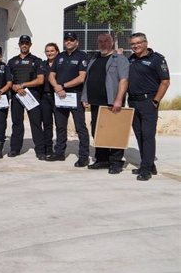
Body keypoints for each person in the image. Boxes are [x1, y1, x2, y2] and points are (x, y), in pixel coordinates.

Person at [82, 33, 129, 174]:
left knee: (114, 132)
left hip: (112, 103)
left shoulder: (120, 59)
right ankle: (102, 159)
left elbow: (124, 80)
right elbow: (88, 79)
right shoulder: (94, 58)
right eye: (100, 41)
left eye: (106, 41)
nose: (103, 44)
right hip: (96, 103)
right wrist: (85, 97)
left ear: (112, 42)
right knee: (98, 131)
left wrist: (119, 99)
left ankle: (116, 162)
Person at [127, 32, 170, 181]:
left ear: (146, 43)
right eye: (133, 44)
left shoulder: (157, 59)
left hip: (148, 102)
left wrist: (156, 101)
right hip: (132, 102)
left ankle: (146, 170)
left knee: (148, 135)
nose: (136, 46)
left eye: (138, 43)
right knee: (139, 135)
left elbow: (165, 82)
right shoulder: (131, 59)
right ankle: (148, 164)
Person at [47, 31, 90, 166]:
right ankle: (59, 152)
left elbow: (81, 77)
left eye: (71, 40)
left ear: (77, 42)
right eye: (66, 40)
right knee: (60, 126)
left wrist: (63, 86)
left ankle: (83, 156)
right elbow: (51, 76)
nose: (69, 42)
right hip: (60, 95)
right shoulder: (59, 57)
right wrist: (57, 87)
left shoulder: (82, 56)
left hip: (75, 95)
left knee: (80, 127)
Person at [6, 35, 46, 159]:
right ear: (19, 45)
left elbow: (40, 80)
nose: (24, 45)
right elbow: (8, 80)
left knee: (36, 123)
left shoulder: (37, 60)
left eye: (26, 43)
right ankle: (15, 149)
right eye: (22, 43)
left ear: (30, 45)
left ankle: (40, 150)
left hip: (32, 95)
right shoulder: (12, 61)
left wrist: (23, 85)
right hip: (17, 96)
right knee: (17, 123)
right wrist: (14, 87)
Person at [40, 43, 60, 157]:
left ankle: (59, 149)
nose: (49, 53)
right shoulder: (42, 64)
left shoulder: (61, 63)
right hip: (45, 97)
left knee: (59, 124)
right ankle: (48, 148)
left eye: (52, 51)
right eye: (47, 51)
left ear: (57, 51)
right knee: (47, 124)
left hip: (57, 96)